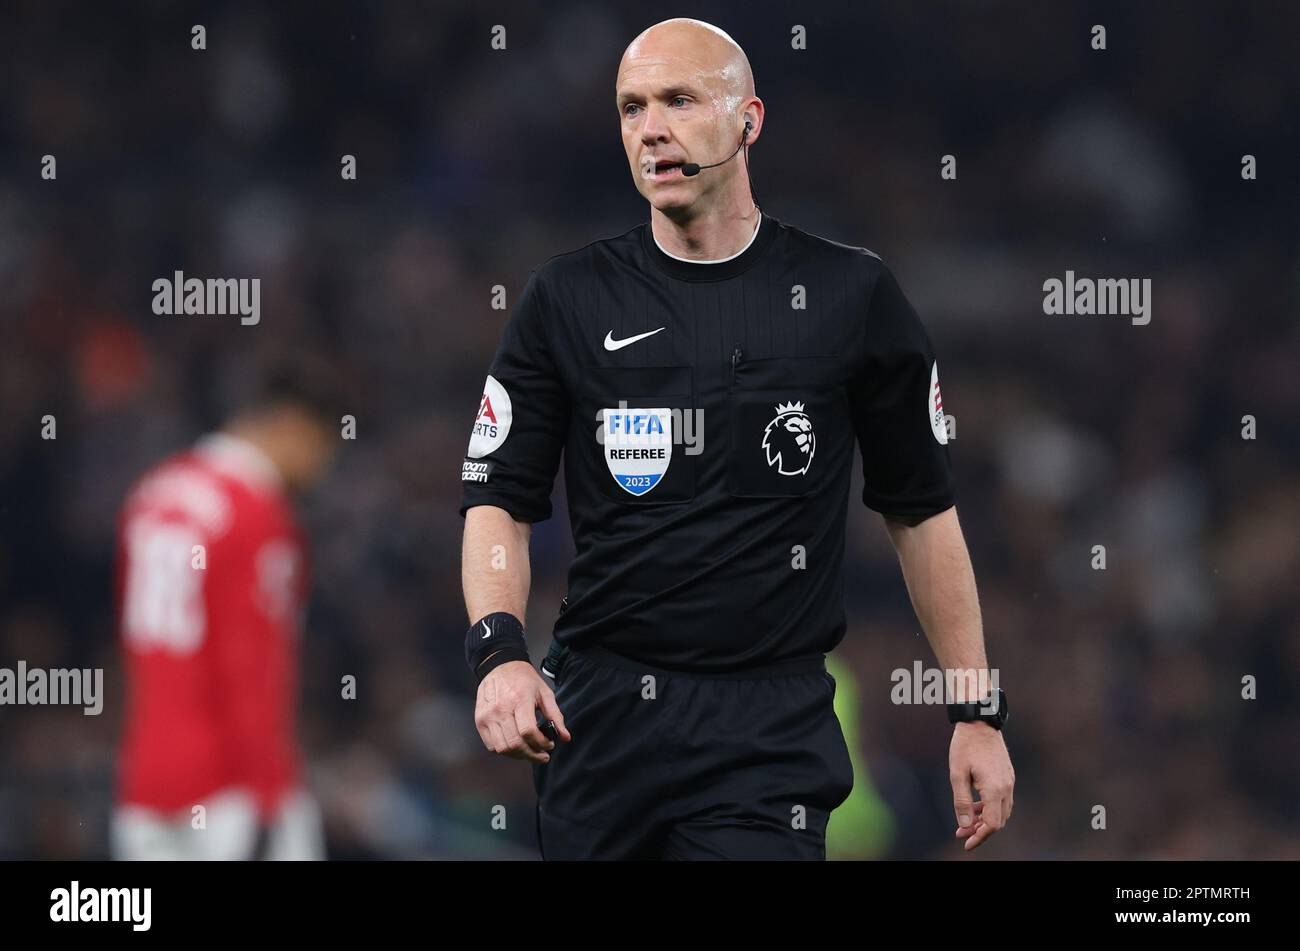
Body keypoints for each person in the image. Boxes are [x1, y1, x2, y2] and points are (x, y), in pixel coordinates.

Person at [459, 17, 1014, 859]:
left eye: (680, 100)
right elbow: (499, 497)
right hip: (600, 720)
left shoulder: (850, 295)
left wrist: (975, 711)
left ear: (748, 119)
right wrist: (499, 651)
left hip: (766, 733)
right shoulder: (566, 299)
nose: (652, 128)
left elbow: (923, 512)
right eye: (632, 107)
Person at [112, 366, 340, 860]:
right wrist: (270, 790)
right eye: (323, 446)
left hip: (145, 782)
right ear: (292, 425)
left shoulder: (153, 492)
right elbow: (253, 666)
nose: (320, 467)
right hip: (229, 788)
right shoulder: (256, 512)